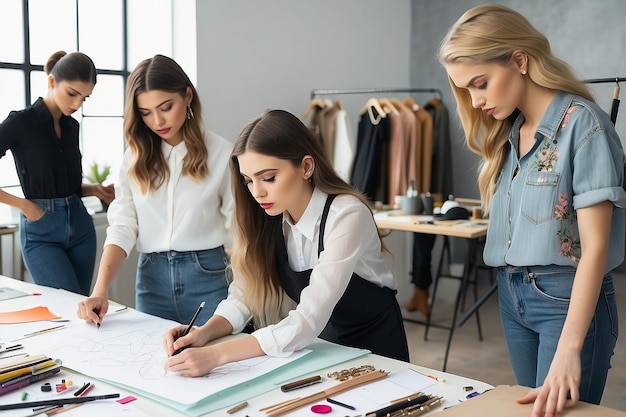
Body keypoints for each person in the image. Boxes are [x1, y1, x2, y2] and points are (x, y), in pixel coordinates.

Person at [438, 4, 625, 417]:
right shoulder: (509, 133)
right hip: (512, 294)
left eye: (480, 83)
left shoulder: (585, 126)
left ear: (519, 60)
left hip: (567, 299)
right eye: (466, 89)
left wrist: (569, 349)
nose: (476, 99)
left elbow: (594, 250)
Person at [162, 109, 409, 377]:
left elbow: (306, 320)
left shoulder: (347, 214)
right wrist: (204, 333)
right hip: (324, 346)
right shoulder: (272, 218)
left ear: (305, 167)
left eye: (268, 178)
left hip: (377, 346)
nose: (257, 192)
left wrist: (217, 354)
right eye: (249, 181)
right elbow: (246, 293)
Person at [77, 55, 233, 326]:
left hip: (209, 276)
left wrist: (248, 292)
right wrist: (100, 290)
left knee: (218, 364)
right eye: (146, 113)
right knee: (153, 362)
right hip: (152, 277)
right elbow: (123, 225)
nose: (158, 120)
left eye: (166, 107)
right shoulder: (133, 159)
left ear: (187, 96)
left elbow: (240, 231)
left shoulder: (221, 153)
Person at [0, 50, 114, 296]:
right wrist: (23, 205)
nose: (77, 104)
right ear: (52, 81)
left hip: (81, 227)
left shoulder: (71, 125)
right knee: (69, 307)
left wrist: (93, 189)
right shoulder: (20, 123)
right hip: (41, 229)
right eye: (72, 94)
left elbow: (66, 185)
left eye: (85, 98)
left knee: (83, 306)